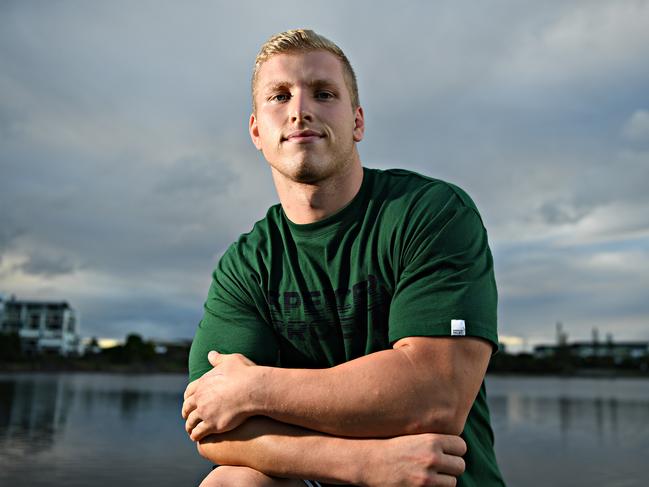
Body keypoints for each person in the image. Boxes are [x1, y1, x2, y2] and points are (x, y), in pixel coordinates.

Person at [182, 29, 506, 487]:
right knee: (231, 483)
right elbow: (210, 425)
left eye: (323, 93)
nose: (299, 110)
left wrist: (254, 388)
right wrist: (358, 465)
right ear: (257, 130)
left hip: (440, 480)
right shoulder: (248, 263)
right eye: (279, 96)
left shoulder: (428, 213)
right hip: (335, 476)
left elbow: (437, 394)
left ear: (357, 122)